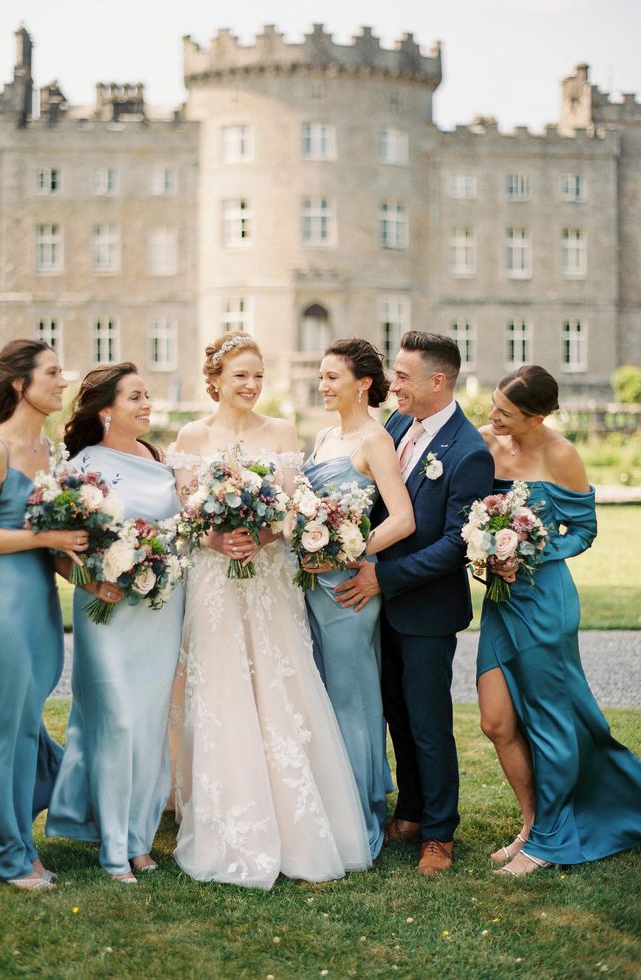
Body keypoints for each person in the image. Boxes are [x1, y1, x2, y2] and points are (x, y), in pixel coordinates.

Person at [168, 331, 372, 889]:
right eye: (241, 375)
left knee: (282, 686)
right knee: (222, 691)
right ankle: (230, 822)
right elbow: (186, 515)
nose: (252, 385)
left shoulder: (281, 432)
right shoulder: (192, 435)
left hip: (270, 577)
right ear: (216, 380)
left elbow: (292, 508)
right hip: (214, 580)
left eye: (258, 374)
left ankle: (298, 824)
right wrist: (215, 541)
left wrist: (259, 536)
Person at [477, 364, 641, 876]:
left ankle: (549, 841)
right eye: (493, 406)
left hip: (545, 601)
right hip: (500, 602)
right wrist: (485, 548)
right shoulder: (487, 442)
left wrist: (529, 549)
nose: (493, 417)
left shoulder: (562, 454)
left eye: (505, 413)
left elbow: (583, 529)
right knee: (495, 721)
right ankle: (533, 825)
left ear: (537, 416)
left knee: (551, 723)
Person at [335, 330, 494, 874]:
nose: (391, 384)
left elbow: (456, 545)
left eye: (402, 377)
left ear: (438, 381)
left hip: (425, 608)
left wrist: (385, 576)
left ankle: (440, 833)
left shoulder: (469, 451)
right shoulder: (398, 424)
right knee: (396, 712)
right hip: (381, 600)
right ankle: (411, 808)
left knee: (428, 721)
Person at [45, 363, 184, 883]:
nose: (147, 405)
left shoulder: (157, 457)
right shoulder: (82, 466)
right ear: (106, 410)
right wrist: (90, 581)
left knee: (147, 726)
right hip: (105, 610)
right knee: (115, 722)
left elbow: (178, 529)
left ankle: (139, 840)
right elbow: (57, 546)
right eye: (135, 397)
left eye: (148, 396)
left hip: (159, 607)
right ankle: (111, 847)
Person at [0, 339, 89, 890]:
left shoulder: (52, 452)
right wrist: (49, 535)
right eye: (53, 373)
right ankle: (9, 859)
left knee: (25, 725)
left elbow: (52, 546)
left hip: (40, 599)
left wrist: (95, 575)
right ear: (21, 384)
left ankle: (25, 840)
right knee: (3, 732)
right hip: (4, 602)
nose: (63, 381)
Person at [303, 338, 415, 859]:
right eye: (321, 377)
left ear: (362, 383)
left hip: (348, 590)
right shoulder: (325, 435)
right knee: (320, 693)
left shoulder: (374, 440)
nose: (323, 385)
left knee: (351, 697)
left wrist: (353, 548)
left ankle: (362, 811)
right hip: (309, 586)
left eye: (332, 377)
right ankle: (328, 802)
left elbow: (402, 517)